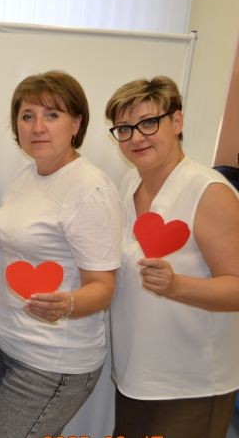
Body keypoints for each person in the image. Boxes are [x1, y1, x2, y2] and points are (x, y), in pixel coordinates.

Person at [0, 71, 121, 438]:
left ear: (76, 123)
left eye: (52, 115)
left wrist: (67, 303)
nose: (38, 127)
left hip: (51, 363)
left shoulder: (89, 189)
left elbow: (103, 287)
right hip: (12, 347)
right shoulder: (26, 176)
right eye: (27, 116)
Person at [105, 76, 239, 438]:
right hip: (136, 377)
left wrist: (176, 285)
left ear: (176, 121)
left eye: (148, 123)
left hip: (191, 384)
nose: (136, 137)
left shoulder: (209, 192)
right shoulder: (129, 184)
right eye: (124, 128)